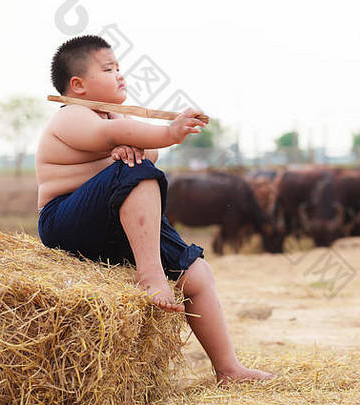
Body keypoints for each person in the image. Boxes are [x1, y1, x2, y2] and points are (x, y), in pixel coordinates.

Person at [36, 35, 272, 384]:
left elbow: (144, 149)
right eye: (108, 68)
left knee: (198, 273)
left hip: (115, 221)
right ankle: (151, 276)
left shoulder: (112, 116)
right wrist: (168, 133)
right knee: (136, 170)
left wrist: (135, 147)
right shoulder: (72, 115)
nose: (119, 74)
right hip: (66, 222)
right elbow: (111, 134)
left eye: (119, 67)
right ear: (77, 85)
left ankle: (228, 369)